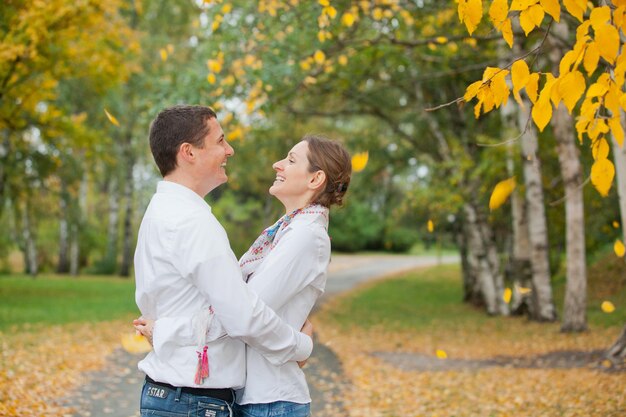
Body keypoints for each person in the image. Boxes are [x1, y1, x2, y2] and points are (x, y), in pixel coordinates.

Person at [133, 105, 313, 417]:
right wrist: (300, 346)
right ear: (188, 152)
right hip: (194, 401)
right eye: (220, 141)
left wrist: (165, 331)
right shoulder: (191, 221)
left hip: (171, 395)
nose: (229, 150)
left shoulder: (161, 210)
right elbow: (241, 315)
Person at [234, 135, 352, 417]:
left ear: (315, 179)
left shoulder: (307, 236)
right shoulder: (286, 230)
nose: (277, 165)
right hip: (254, 397)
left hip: (271, 401)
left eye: (290, 160)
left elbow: (244, 310)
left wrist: (302, 346)